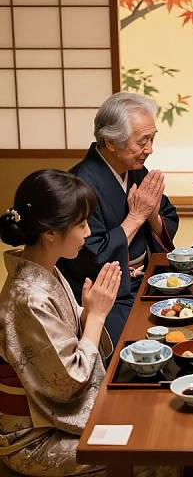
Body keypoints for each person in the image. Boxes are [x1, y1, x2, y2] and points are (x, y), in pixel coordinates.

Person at [0, 169, 120, 476]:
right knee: (144, 452)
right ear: (50, 233)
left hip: (52, 419)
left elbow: (63, 341)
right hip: (35, 437)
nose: (88, 233)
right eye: (80, 224)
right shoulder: (29, 296)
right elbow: (67, 384)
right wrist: (95, 316)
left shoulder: (43, 269)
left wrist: (86, 311)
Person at [58, 92, 179, 348]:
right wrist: (136, 217)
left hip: (145, 277)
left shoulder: (136, 169)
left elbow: (165, 217)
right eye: (142, 141)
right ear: (111, 142)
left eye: (152, 139)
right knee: (134, 347)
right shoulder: (81, 185)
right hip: (107, 293)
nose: (150, 149)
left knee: (183, 315)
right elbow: (89, 254)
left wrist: (153, 214)